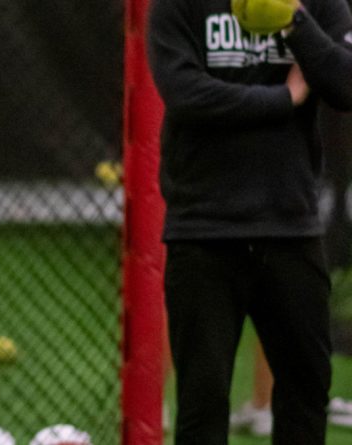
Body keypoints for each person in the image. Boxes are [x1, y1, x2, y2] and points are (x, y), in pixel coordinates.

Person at [147, 0, 352, 443]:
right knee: (202, 403)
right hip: (204, 231)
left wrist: (295, 21)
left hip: (292, 229)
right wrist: (285, 97)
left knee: (305, 395)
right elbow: (185, 94)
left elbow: (345, 83)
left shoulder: (318, 4)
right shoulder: (178, 5)